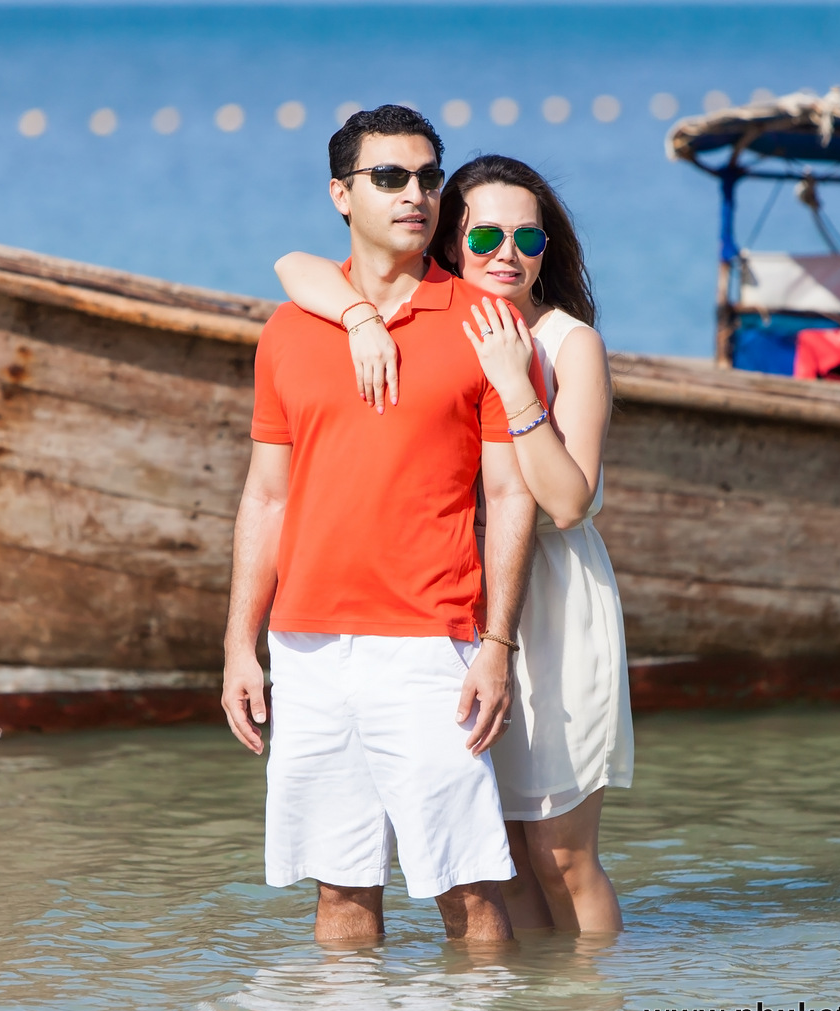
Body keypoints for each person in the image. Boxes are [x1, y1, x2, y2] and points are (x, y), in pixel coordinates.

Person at [274, 154, 633, 934]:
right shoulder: (441, 320)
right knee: (492, 850)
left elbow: (567, 502)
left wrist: (511, 382)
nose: (510, 252)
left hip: (551, 608)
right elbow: (293, 264)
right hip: (457, 600)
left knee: (560, 854)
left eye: (529, 236)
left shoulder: (567, 344)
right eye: (488, 234)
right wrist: (361, 316)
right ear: (447, 240)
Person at [222, 108, 540, 944]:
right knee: (340, 896)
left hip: (430, 644)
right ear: (341, 194)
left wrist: (496, 646)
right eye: (390, 177)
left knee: (470, 896)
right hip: (308, 650)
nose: (416, 195)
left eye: (430, 178)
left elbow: (512, 497)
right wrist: (238, 645)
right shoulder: (291, 329)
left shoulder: (487, 324)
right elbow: (265, 498)